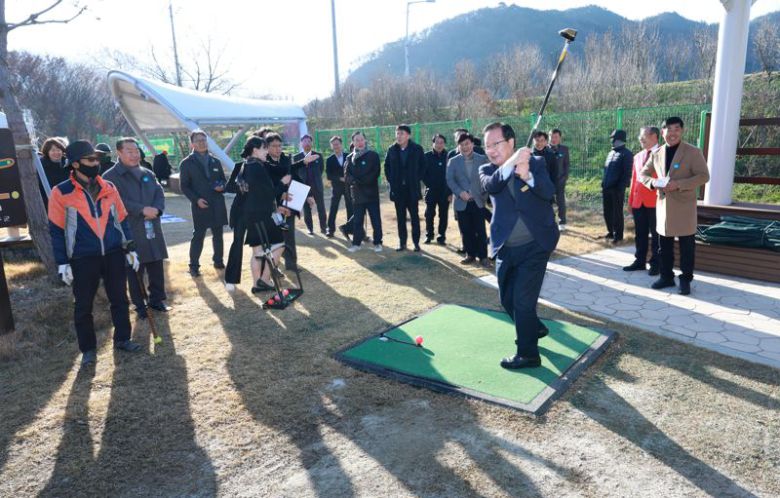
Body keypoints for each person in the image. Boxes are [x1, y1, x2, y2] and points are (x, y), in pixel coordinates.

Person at [48, 140, 141, 368]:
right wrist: (62, 263)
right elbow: (56, 231)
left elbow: (122, 220)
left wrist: (130, 249)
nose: (96, 163)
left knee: (120, 298)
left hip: (113, 253)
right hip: (82, 258)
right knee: (83, 306)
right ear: (76, 164)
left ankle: (123, 339)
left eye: (97, 159)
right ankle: (88, 350)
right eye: (91, 159)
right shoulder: (61, 192)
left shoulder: (109, 186)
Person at [479, 123, 559, 369]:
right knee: (507, 300)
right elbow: (492, 185)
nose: (491, 150)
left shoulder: (535, 163)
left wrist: (528, 175)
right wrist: (510, 163)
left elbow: (549, 192)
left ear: (511, 142)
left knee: (523, 301)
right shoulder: (486, 169)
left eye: (496, 144)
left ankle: (528, 355)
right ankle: (534, 327)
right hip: (505, 246)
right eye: (487, 145)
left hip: (535, 244)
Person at [639, 117, 709, 295]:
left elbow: (703, 176)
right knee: (664, 246)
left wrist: (679, 184)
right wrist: (654, 183)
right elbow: (643, 174)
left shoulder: (693, 152)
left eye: (676, 129)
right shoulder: (657, 153)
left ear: (682, 131)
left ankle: (685, 279)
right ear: (662, 133)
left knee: (686, 247)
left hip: (684, 206)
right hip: (663, 207)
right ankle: (666, 276)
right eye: (668, 129)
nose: (672, 133)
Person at [103, 138, 171, 319]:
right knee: (135, 267)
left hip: (152, 224)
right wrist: (141, 209)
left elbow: (159, 193)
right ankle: (140, 305)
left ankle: (158, 299)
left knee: (156, 262)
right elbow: (117, 202)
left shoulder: (147, 172)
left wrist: (157, 208)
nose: (134, 155)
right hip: (130, 227)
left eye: (136, 151)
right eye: (129, 151)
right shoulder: (110, 177)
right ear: (119, 153)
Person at [239, 137, 292, 292]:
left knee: (257, 252)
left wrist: (276, 209)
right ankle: (264, 279)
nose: (267, 151)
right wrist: (282, 183)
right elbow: (269, 194)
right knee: (280, 245)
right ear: (255, 150)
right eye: (264, 148)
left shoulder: (247, 165)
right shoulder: (257, 167)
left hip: (253, 214)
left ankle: (257, 285)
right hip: (261, 216)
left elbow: (258, 194)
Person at [179, 130, 227, 277]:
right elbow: (184, 186)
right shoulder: (187, 163)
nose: (202, 143)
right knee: (198, 235)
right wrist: (196, 200)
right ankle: (194, 266)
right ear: (192, 143)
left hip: (217, 203)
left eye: (204, 140)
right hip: (200, 204)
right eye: (199, 140)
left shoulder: (215, 161)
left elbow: (223, 180)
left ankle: (218, 261)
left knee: (218, 234)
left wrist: (222, 186)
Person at [446, 133, 490, 267]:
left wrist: (478, 193)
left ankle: (483, 256)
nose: (465, 147)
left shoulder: (482, 159)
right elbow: (450, 180)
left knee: (480, 230)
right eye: (462, 144)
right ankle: (470, 254)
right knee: (465, 230)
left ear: (472, 144)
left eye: (467, 144)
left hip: (478, 201)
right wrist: (460, 193)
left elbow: (487, 179)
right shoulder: (453, 161)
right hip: (461, 202)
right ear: (458, 146)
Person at [623, 126, 661, 276]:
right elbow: (634, 180)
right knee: (640, 233)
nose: (640, 138)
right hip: (639, 202)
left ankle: (656, 264)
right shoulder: (637, 156)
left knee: (657, 235)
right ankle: (639, 261)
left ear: (654, 136)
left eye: (643, 135)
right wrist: (631, 201)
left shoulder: (663, 154)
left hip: (656, 201)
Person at [384, 124, 426, 252]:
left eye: (402, 133)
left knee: (414, 217)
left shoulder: (417, 149)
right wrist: (392, 180)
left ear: (408, 135)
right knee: (400, 218)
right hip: (398, 190)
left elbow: (423, 166)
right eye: (397, 133)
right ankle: (402, 243)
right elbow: (387, 167)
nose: (399, 136)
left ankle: (416, 243)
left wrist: (415, 178)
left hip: (412, 189)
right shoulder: (392, 149)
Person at [345, 131, 383, 252]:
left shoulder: (373, 155)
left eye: (361, 140)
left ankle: (378, 243)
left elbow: (375, 172)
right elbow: (347, 175)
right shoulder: (349, 157)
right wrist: (354, 182)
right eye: (356, 140)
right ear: (353, 142)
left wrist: (360, 181)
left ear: (365, 140)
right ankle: (356, 243)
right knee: (357, 221)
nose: (359, 142)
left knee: (375, 220)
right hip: (357, 195)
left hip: (371, 194)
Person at [265, 132, 298, 271]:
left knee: (289, 233)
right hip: (272, 206)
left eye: (280, 145)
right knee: (273, 237)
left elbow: (294, 177)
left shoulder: (286, 160)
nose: (278, 148)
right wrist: (280, 194)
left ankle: (291, 263)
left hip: (288, 204)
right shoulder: (264, 163)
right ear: (267, 147)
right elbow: (267, 187)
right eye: (274, 146)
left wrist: (306, 195)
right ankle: (273, 267)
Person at [602, 129, 633, 244]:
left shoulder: (627, 154)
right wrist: (603, 183)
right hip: (606, 188)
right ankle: (610, 232)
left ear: (619, 139)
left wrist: (620, 188)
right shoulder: (611, 153)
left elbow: (627, 173)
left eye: (613, 139)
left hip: (617, 189)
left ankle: (618, 235)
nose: (611, 141)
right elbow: (606, 170)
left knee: (617, 213)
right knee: (607, 212)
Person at [292, 134, 326, 235]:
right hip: (303, 187)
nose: (307, 143)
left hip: (317, 186)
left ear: (312, 143)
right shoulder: (296, 157)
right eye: (305, 141)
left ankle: (324, 228)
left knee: (321, 208)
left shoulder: (318, 156)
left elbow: (320, 169)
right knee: (307, 210)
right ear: (301, 143)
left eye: (309, 141)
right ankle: (310, 229)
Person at [423, 134, 452, 245]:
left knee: (443, 214)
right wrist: (430, 184)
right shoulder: (426, 156)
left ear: (444, 144)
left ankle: (441, 236)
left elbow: (452, 175)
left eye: (441, 142)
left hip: (445, 191)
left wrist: (450, 191)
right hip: (431, 190)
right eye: (437, 142)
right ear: (433, 143)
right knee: (429, 213)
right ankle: (429, 235)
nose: (439, 145)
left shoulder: (449, 156)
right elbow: (423, 174)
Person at [325, 135, 352, 238]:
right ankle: (330, 229)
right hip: (336, 187)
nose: (336, 146)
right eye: (334, 145)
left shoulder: (348, 156)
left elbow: (352, 170)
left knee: (350, 207)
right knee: (333, 208)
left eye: (337, 144)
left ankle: (350, 228)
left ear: (341, 144)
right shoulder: (329, 159)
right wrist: (340, 178)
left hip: (348, 187)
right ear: (331, 146)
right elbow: (328, 175)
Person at [38, 137, 70, 210]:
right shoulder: (40, 166)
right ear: (47, 152)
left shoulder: (68, 164)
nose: (56, 153)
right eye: (53, 150)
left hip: (67, 203)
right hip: (47, 203)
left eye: (58, 150)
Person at [549, 129, 570, 230]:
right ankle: (550, 222)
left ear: (560, 138)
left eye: (556, 137)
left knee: (561, 202)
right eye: (551, 137)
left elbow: (567, 165)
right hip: (547, 181)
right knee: (547, 202)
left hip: (560, 181)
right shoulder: (545, 149)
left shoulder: (564, 149)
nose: (553, 139)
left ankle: (562, 222)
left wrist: (565, 178)